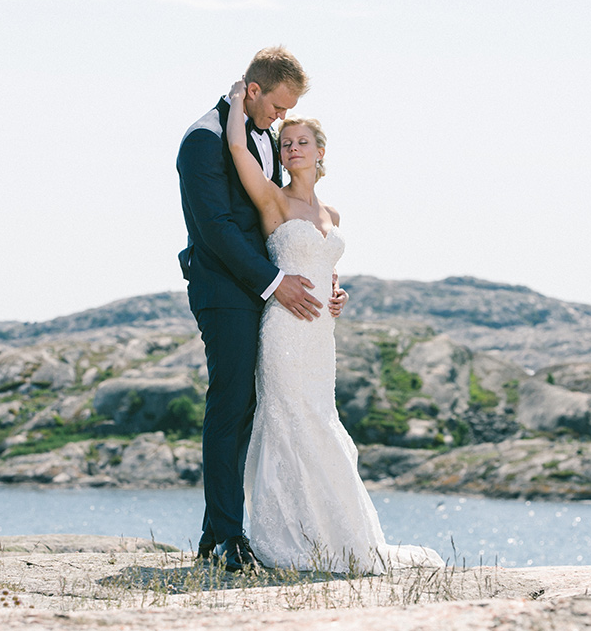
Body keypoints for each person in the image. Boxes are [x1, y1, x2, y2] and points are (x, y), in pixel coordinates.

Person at [225, 81, 444, 574]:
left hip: (321, 337)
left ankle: (340, 535)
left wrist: (337, 292)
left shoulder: (333, 213)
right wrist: (238, 101)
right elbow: (238, 146)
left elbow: (327, 269)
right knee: (289, 421)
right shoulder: (274, 203)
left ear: (320, 152)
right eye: (286, 143)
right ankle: (291, 534)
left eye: (302, 141)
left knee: (322, 422)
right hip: (284, 331)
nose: (292, 149)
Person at [177, 47, 347, 572]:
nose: (280, 120)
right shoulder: (202, 139)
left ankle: (221, 530)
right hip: (226, 291)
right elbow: (216, 229)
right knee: (230, 404)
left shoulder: (264, 138)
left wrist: (324, 280)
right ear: (252, 92)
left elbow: (281, 223)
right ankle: (226, 536)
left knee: (257, 410)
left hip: (270, 296)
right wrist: (276, 282)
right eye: (276, 108)